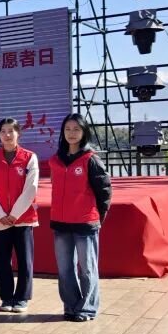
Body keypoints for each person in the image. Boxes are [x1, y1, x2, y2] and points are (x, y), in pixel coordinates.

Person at [50, 114, 112, 322]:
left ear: (84, 132)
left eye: (76, 129)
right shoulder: (56, 160)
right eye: (68, 129)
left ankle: (87, 308)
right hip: (60, 223)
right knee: (65, 269)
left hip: (85, 223)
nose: (72, 133)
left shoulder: (90, 159)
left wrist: (98, 217)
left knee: (87, 269)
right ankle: (71, 306)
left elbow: (104, 191)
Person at [0, 118, 39, 313]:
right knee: (1, 260)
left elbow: (31, 188)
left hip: (23, 219)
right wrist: (0, 214)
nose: (7, 135)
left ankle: (21, 298)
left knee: (24, 259)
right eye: (3, 131)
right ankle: (6, 297)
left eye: (11, 131)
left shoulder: (29, 157)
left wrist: (14, 214)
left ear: (18, 133)